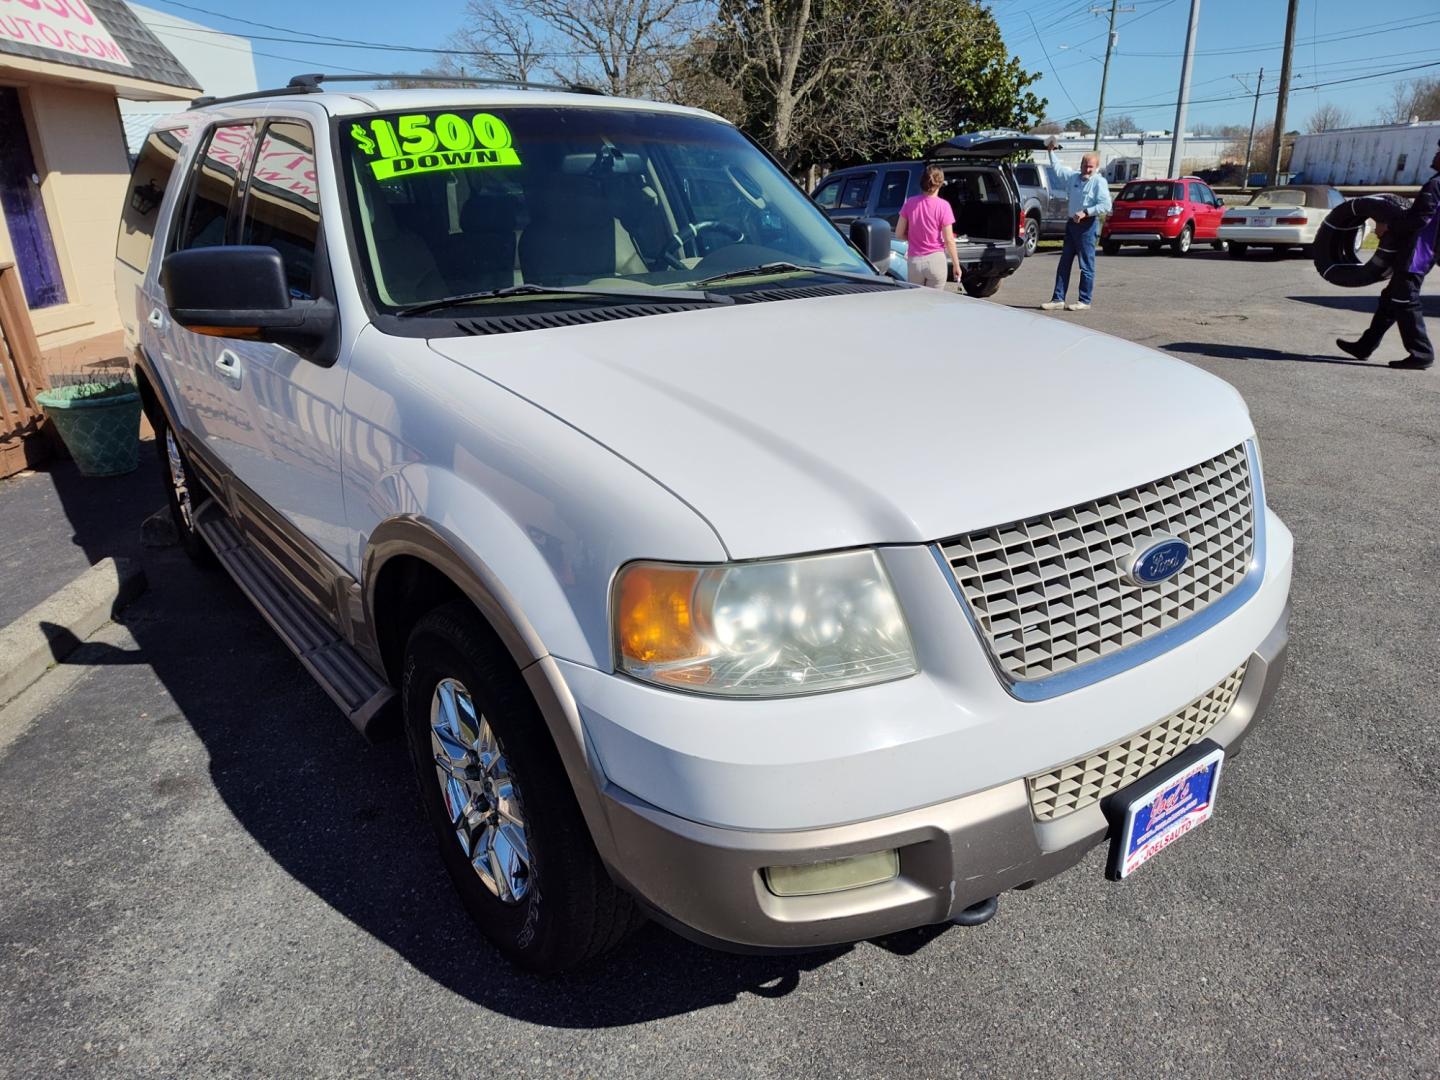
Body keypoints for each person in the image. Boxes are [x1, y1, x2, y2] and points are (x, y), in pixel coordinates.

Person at [1337, 138, 1440, 371]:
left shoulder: (1435, 186)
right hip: (1428, 251)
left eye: (1439, 152)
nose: (1435, 155)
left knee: (1405, 300)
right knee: (1391, 298)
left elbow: (1419, 219)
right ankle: (1365, 345)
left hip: (1417, 253)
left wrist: (1388, 227)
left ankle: (1421, 353)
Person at [1039, 138, 1113, 312]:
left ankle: (1084, 300)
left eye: (1091, 167)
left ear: (1096, 168)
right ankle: (1058, 298)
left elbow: (1106, 205)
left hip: (1087, 226)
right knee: (1064, 262)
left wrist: (1086, 212)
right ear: (1081, 165)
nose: (1087, 169)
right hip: (1072, 225)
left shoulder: (1099, 182)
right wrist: (1051, 151)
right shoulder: (1073, 177)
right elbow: (1057, 170)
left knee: (1086, 265)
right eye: (1085, 165)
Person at [896, 166, 962, 290]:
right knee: (934, 304)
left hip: (915, 262)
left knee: (916, 303)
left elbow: (899, 234)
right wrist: (956, 265)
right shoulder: (944, 206)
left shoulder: (909, 203)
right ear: (941, 183)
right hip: (936, 260)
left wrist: (913, 238)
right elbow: (949, 240)